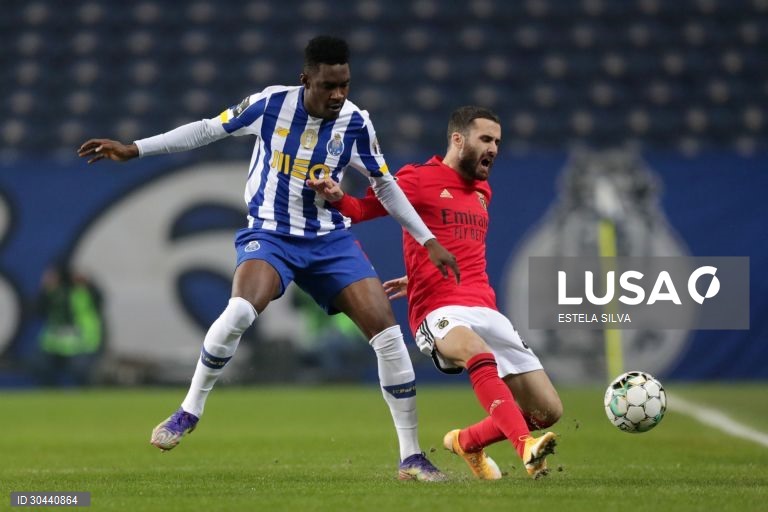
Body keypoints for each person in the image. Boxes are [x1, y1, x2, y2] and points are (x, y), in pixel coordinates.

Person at [77, 35, 459, 482]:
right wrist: (135, 148)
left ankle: (411, 457)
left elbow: (384, 184)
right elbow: (205, 129)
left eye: (345, 84)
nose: (338, 94)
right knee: (239, 311)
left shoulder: (356, 123)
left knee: (389, 338)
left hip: (329, 241)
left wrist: (426, 238)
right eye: (328, 85)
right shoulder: (269, 106)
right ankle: (189, 410)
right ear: (306, 79)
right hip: (270, 234)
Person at [307, 106, 563, 479]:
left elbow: (463, 248)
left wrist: (418, 274)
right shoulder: (415, 178)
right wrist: (335, 195)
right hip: (439, 310)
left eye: (498, 142)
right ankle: (524, 447)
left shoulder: (482, 192)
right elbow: (362, 210)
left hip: (486, 307)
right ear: (458, 140)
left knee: (547, 410)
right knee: (475, 352)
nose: (494, 148)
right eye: (486, 139)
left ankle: (467, 442)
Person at [35, 262, 104, 386]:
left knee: (80, 371)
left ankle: (83, 394)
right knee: (44, 369)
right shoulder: (59, 293)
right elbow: (41, 310)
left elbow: (100, 300)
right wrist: (47, 289)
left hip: (84, 340)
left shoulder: (87, 292)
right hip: (58, 340)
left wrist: (90, 283)